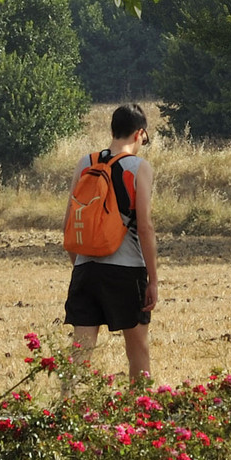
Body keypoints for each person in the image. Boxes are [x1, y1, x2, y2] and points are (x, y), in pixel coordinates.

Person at [64, 103, 158, 386]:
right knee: (137, 347)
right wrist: (153, 279)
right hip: (126, 271)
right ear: (139, 133)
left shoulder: (86, 163)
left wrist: (79, 264)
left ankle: (65, 408)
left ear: (112, 130)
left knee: (80, 348)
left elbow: (69, 221)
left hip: (85, 267)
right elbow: (144, 226)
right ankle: (140, 411)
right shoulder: (139, 167)